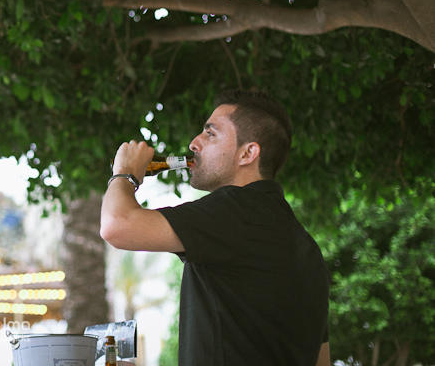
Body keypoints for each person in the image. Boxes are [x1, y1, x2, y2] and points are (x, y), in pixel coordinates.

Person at [101, 90, 330, 366]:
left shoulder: (235, 210)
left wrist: (124, 173)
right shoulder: (307, 248)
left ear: (248, 153)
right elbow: (322, 360)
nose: (194, 143)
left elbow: (117, 225)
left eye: (210, 134)